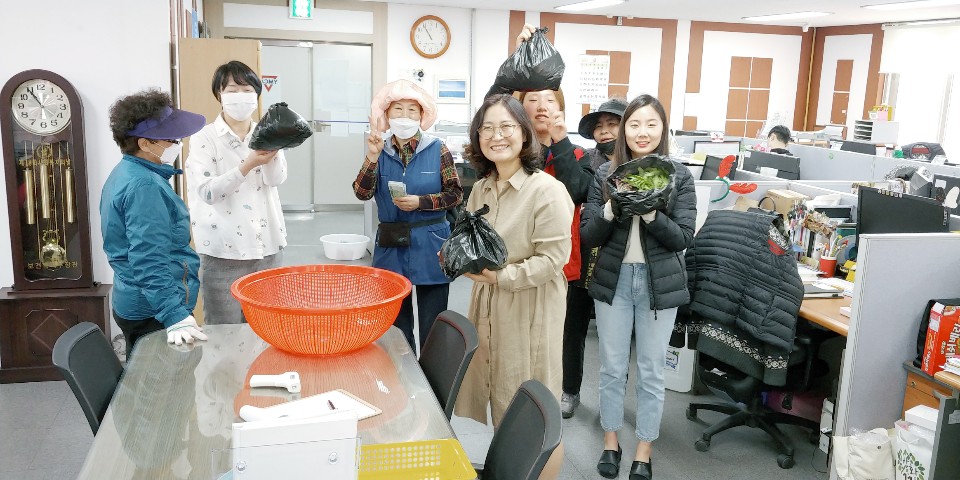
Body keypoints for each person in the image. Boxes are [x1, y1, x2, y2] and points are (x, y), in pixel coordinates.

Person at [580, 94, 697, 480]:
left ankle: (644, 450)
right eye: (634, 124)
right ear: (623, 131)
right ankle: (611, 441)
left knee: (651, 371)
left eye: (651, 124)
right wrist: (613, 207)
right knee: (612, 368)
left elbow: (683, 238)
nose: (642, 132)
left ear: (663, 129)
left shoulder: (678, 176)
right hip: (613, 282)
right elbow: (588, 235)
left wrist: (649, 213)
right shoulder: (604, 175)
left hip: (658, 285)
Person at [454, 94, 574, 428]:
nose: (497, 136)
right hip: (489, 301)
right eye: (487, 128)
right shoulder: (482, 188)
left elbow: (552, 261)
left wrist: (500, 277)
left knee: (530, 404)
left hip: (530, 304)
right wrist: (456, 255)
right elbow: (470, 238)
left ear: (524, 132)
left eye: (506, 126)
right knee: (497, 388)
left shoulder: (546, 190)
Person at [353, 79, 462, 354]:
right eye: (398, 109)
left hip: (432, 244)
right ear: (387, 115)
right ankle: (401, 373)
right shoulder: (380, 150)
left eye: (412, 110)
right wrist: (372, 157)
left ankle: (432, 377)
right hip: (392, 245)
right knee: (396, 325)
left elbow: (455, 194)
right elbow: (362, 193)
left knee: (433, 323)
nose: (405, 116)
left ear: (422, 115)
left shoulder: (438, 149)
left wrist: (421, 202)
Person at [101, 89, 209, 356]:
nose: (178, 144)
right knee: (163, 380)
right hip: (153, 310)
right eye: (171, 139)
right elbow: (148, 259)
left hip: (137, 299)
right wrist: (174, 315)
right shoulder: (144, 186)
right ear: (145, 144)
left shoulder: (127, 171)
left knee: (143, 375)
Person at [186, 60, 287, 325]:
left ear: (257, 95)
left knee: (266, 327)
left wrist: (274, 151)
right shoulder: (204, 138)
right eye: (232, 90)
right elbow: (208, 192)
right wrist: (248, 164)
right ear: (219, 95)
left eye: (247, 90)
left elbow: (276, 179)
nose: (240, 96)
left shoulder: (267, 132)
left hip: (267, 246)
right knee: (224, 330)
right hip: (223, 251)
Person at [559, 97, 628, 419]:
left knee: (616, 336)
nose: (604, 131)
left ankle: (614, 399)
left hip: (619, 259)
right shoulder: (585, 161)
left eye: (612, 124)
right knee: (573, 329)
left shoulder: (642, 166)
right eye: (599, 127)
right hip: (584, 255)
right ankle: (569, 390)